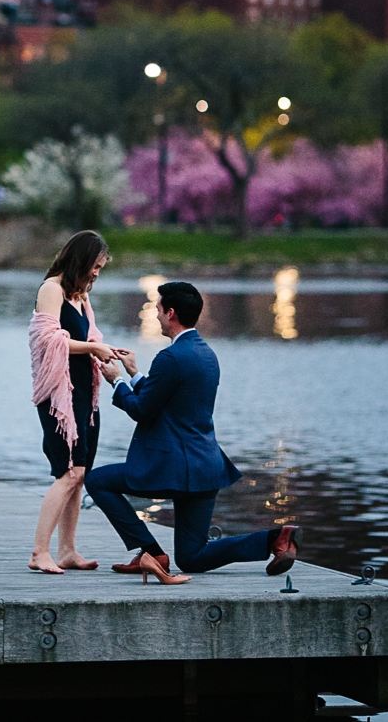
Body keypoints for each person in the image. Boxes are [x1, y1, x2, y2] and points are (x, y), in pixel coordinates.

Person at [84, 280, 302, 584]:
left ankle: (150, 551)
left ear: (171, 312)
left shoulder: (170, 357)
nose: (156, 315)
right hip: (204, 467)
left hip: (173, 468)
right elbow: (170, 402)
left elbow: (142, 410)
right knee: (191, 557)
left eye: (158, 309)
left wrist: (116, 381)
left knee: (97, 480)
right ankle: (275, 539)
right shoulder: (205, 353)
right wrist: (135, 374)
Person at [27, 230, 120, 574]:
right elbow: (48, 340)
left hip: (84, 392)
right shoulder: (51, 289)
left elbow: (88, 337)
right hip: (58, 396)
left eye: (101, 268)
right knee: (69, 471)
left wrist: (106, 351)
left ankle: (67, 550)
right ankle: (39, 552)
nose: (97, 273)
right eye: (95, 266)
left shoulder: (80, 296)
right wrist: (93, 348)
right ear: (81, 259)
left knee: (81, 475)